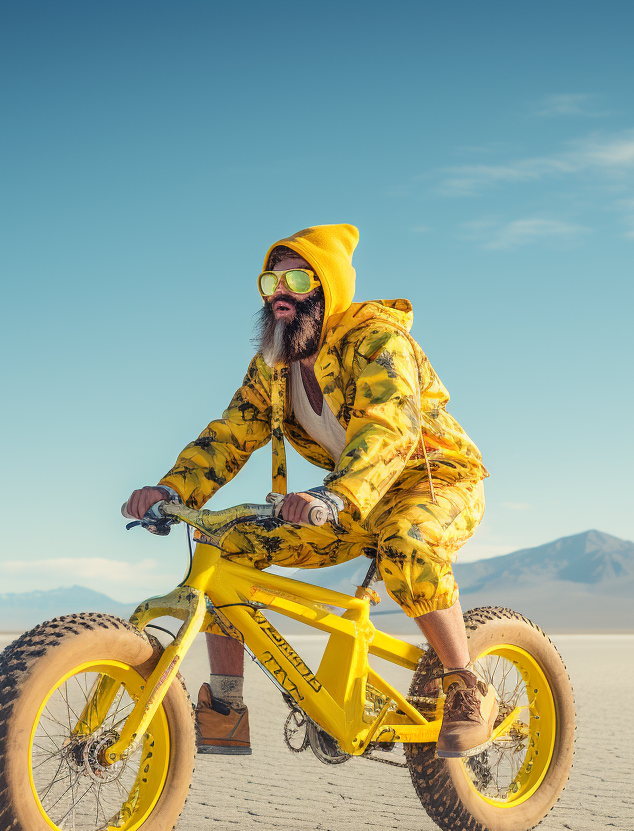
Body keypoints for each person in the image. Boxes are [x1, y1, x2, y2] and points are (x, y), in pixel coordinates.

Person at [126, 224, 495, 760]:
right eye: (270, 280)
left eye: (297, 278)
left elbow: (388, 424)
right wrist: (169, 488)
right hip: (346, 499)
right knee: (229, 541)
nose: (280, 291)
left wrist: (338, 493)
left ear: (328, 287)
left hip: (433, 482)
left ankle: (466, 685)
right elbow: (230, 435)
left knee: (407, 541)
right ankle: (226, 705)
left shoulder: (379, 342)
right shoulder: (274, 367)